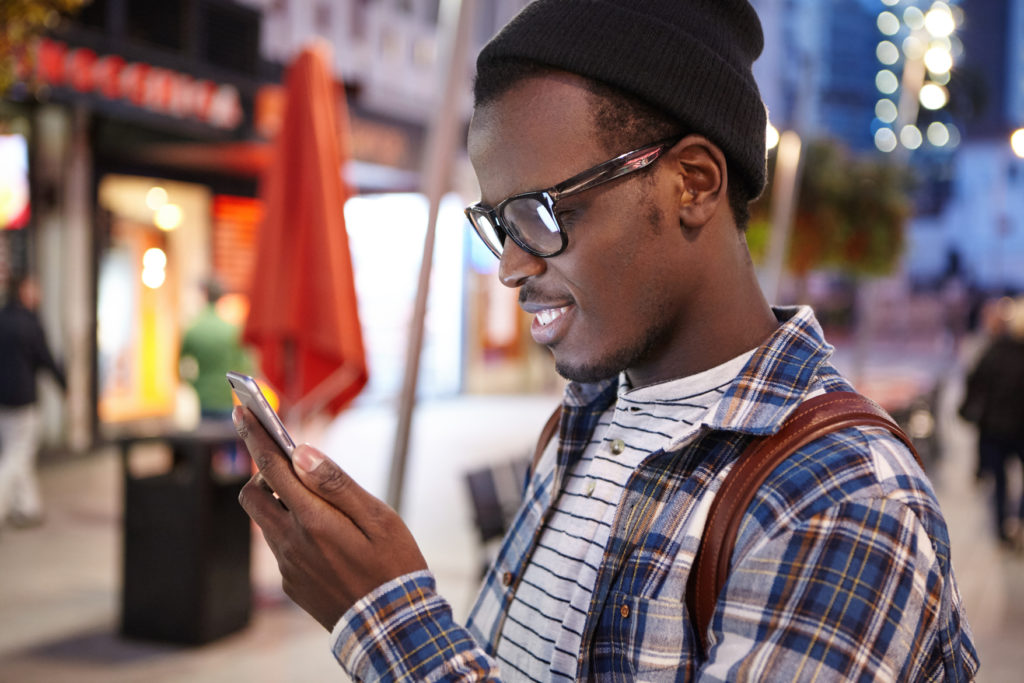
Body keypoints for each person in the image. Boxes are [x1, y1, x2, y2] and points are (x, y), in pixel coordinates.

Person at [235, 1, 979, 679]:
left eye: (539, 213)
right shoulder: (584, 421)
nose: (512, 266)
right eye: (498, 222)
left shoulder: (839, 501)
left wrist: (386, 615)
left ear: (692, 182)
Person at [0, 274, 66, 529]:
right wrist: (65, 385)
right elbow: (46, 358)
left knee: (17, 452)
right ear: (24, 291)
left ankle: (28, 507)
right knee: (17, 456)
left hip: (3, 400)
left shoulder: (2, 319)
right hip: (23, 399)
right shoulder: (29, 322)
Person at [961, 296, 1024, 549]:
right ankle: (1017, 519)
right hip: (1019, 429)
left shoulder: (993, 351)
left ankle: (1001, 530)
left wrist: (970, 410)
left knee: (999, 481)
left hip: (994, 429)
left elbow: (974, 382)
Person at [179, 278, 252, 420]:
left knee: (206, 438)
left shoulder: (193, 329)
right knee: (228, 437)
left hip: (203, 397)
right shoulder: (232, 330)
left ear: (204, 295)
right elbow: (246, 366)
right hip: (226, 396)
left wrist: (193, 383)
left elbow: (180, 365)